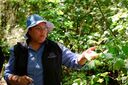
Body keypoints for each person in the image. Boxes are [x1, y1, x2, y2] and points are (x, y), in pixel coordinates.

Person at [4, 14, 98, 85]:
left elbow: (73, 61)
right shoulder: (18, 50)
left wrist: (83, 57)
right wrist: (17, 79)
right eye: (38, 28)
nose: (43, 32)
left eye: (45, 28)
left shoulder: (55, 47)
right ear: (29, 31)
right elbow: (7, 74)